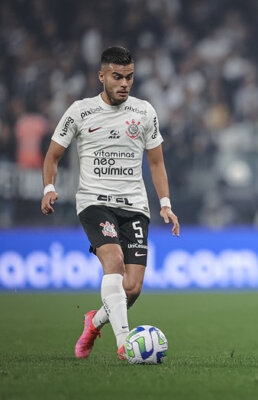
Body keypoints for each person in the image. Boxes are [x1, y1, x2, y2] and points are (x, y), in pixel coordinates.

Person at [40, 46, 180, 360]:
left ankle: (94, 321)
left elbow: (156, 163)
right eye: (117, 77)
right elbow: (53, 156)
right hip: (94, 202)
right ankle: (124, 344)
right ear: (101, 75)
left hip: (134, 206)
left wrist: (165, 204)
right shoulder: (80, 111)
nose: (124, 83)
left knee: (132, 288)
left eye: (129, 77)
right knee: (113, 262)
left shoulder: (144, 112)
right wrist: (49, 187)